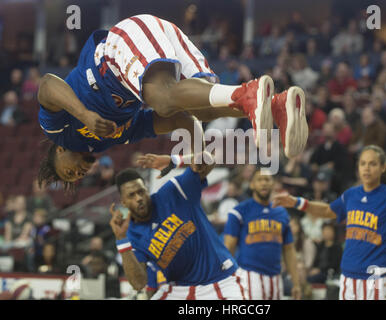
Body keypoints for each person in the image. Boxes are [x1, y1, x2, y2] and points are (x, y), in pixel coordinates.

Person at [37, 14, 309, 190]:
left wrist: (83, 114)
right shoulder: (115, 137)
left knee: (162, 98)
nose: (78, 174)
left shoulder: (58, 131)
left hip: (120, 48)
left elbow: (48, 84)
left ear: (59, 153)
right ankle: (277, 105)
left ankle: (246, 92)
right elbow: (181, 119)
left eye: (69, 174)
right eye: (75, 178)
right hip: (158, 43)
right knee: (200, 109)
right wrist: (200, 151)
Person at [272, 145, 386, 300]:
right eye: (363, 163)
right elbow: (328, 211)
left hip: (378, 277)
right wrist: (296, 202)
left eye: (372, 164)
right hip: (349, 274)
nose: (366, 168)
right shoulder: (351, 194)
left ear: (383, 167)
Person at [108, 151, 247, 300]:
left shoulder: (173, 192)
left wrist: (174, 161)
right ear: (123, 202)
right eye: (131, 195)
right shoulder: (132, 235)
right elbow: (138, 283)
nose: (139, 198)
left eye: (141, 192)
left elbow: (208, 159)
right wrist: (121, 240)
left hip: (221, 278)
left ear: (147, 190)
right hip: (180, 288)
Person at [223, 168, 301, 300]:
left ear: (273, 183)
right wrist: (225, 280)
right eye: (259, 180)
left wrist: (296, 283)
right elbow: (228, 247)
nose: (263, 183)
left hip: (276, 278)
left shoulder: (282, 213)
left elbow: (289, 250)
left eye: (267, 180)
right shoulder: (239, 211)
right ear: (252, 184)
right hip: (249, 276)